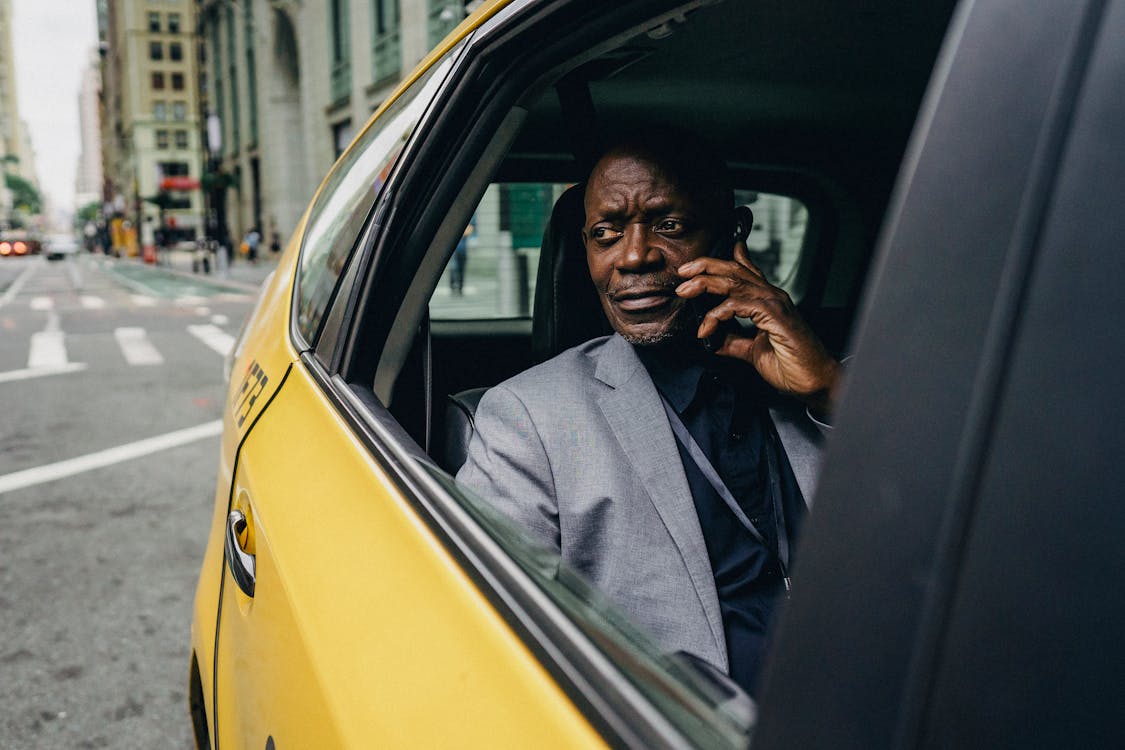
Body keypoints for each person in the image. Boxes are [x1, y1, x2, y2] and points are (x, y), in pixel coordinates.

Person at [456, 130, 841, 697]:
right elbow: (487, 628)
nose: (633, 257)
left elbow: (958, 526)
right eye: (605, 234)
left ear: (734, 233)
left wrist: (826, 390)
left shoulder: (835, 374)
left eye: (669, 226)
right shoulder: (527, 419)